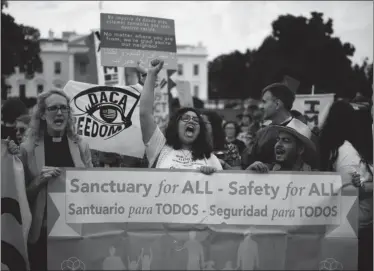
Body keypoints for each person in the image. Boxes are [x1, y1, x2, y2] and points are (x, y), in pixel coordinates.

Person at [18, 90, 93, 271]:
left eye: (63, 108)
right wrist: (39, 181)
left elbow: (93, 188)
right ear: (42, 114)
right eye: (53, 108)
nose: (59, 113)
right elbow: (20, 196)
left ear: (68, 113)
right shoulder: (27, 149)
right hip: (42, 233)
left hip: (75, 231)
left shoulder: (81, 145)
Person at [139, 59, 222, 173]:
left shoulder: (210, 158)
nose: (191, 121)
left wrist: (211, 175)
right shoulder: (160, 148)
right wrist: (151, 74)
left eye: (196, 120)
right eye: (186, 118)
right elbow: (145, 114)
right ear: (175, 125)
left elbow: (223, 186)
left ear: (200, 130)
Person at [319, 101, 372, 271]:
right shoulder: (347, 152)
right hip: (357, 227)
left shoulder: (339, 149)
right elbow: (351, 189)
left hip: (352, 225)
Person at [242, 83, 297, 169]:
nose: (262, 107)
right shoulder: (262, 133)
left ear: (277, 104)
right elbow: (246, 162)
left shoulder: (302, 132)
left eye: (264, 102)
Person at [247, 118, 317, 172]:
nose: (278, 144)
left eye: (286, 140)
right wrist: (248, 173)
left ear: (300, 149)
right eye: (278, 139)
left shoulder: (314, 176)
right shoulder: (265, 170)